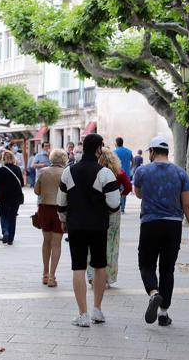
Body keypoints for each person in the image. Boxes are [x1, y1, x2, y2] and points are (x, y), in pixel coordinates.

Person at [133, 136, 189, 326]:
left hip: (150, 224)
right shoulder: (180, 173)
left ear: (152, 152)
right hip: (173, 226)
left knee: (146, 264)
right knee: (167, 270)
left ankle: (154, 293)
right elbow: (187, 204)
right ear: (167, 152)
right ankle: (163, 313)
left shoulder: (142, 171)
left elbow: (138, 193)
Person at [57, 134, 121, 327]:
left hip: (76, 225)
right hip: (98, 225)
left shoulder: (68, 172)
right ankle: (97, 310)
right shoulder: (105, 173)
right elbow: (114, 203)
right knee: (100, 266)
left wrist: (63, 219)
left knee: (78, 267)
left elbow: (61, 203)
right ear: (98, 149)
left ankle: (82, 314)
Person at [86, 148, 132, 287]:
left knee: (92, 243)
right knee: (111, 244)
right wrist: (119, 194)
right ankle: (106, 277)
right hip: (113, 211)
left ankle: (92, 275)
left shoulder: (94, 172)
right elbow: (128, 187)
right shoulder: (119, 172)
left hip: (94, 210)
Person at [34, 149, 68, 287]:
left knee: (46, 241)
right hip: (59, 210)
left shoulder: (43, 172)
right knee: (57, 244)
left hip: (44, 208)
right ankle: (52, 276)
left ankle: (45, 273)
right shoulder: (66, 173)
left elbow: (37, 190)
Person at [0, 150, 24, 245]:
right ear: (13, 158)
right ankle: (11, 238)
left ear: (3, 159)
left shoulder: (0, 170)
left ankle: (5, 231)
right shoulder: (18, 169)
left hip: (3, 196)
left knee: (3, 215)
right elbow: (22, 183)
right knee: (12, 216)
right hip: (16, 197)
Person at [113, 137, 133, 213]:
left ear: (116, 143)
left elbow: (112, 162)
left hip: (117, 174)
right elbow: (133, 161)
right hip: (126, 174)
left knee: (117, 190)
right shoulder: (128, 151)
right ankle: (122, 208)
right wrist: (129, 168)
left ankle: (118, 205)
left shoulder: (114, 151)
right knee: (125, 190)